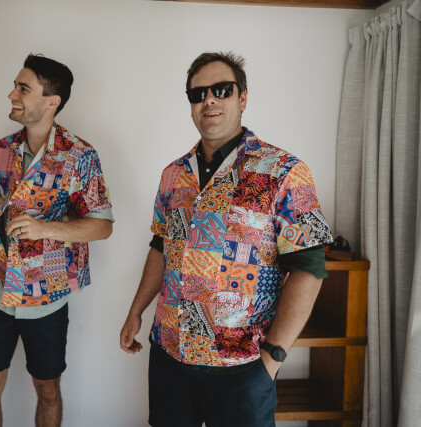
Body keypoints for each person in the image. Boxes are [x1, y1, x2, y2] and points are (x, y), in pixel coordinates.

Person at [119, 51, 333, 427]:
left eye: (221, 90)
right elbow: (160, 247)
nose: (209, 100)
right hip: (169, 352)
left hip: (241, 366)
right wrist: (136, 311)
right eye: (198, 94)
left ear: (242, 97)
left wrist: (272, 359)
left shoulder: (285, 171)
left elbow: (309, 268)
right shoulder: (173, 175)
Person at [0, 54, 113, 427]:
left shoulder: (80, 156)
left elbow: (101, 226)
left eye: (23, 88)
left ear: (52, 101)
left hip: (47, 294)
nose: (12, 94)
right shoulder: (0, 150)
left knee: (48, 390)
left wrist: (45, 228)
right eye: (15, 86)